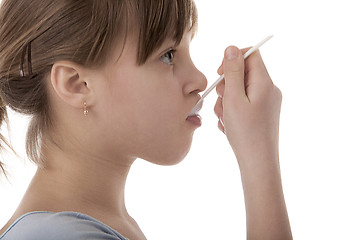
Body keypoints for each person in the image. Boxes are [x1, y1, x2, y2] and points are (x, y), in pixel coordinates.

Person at [0, 0, 292, 239]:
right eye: (168, 55)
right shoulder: (60, 237)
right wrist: (259, 155)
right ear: (78, 84)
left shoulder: (100, 223)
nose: (200, 80)